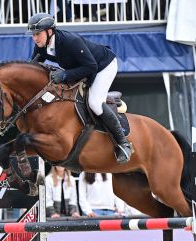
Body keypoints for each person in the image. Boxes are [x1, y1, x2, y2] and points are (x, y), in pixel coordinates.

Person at [27, 13, 132, 164]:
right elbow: (33, 67)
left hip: (103, 66)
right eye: (33, 35)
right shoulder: (41, 46)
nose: (35, 38)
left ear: (49, 32)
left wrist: (64, 75)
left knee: (94, 103)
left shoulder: (70, 41)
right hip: (82, 68)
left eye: (38, 34)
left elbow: (91, 67)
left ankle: (123, 144)